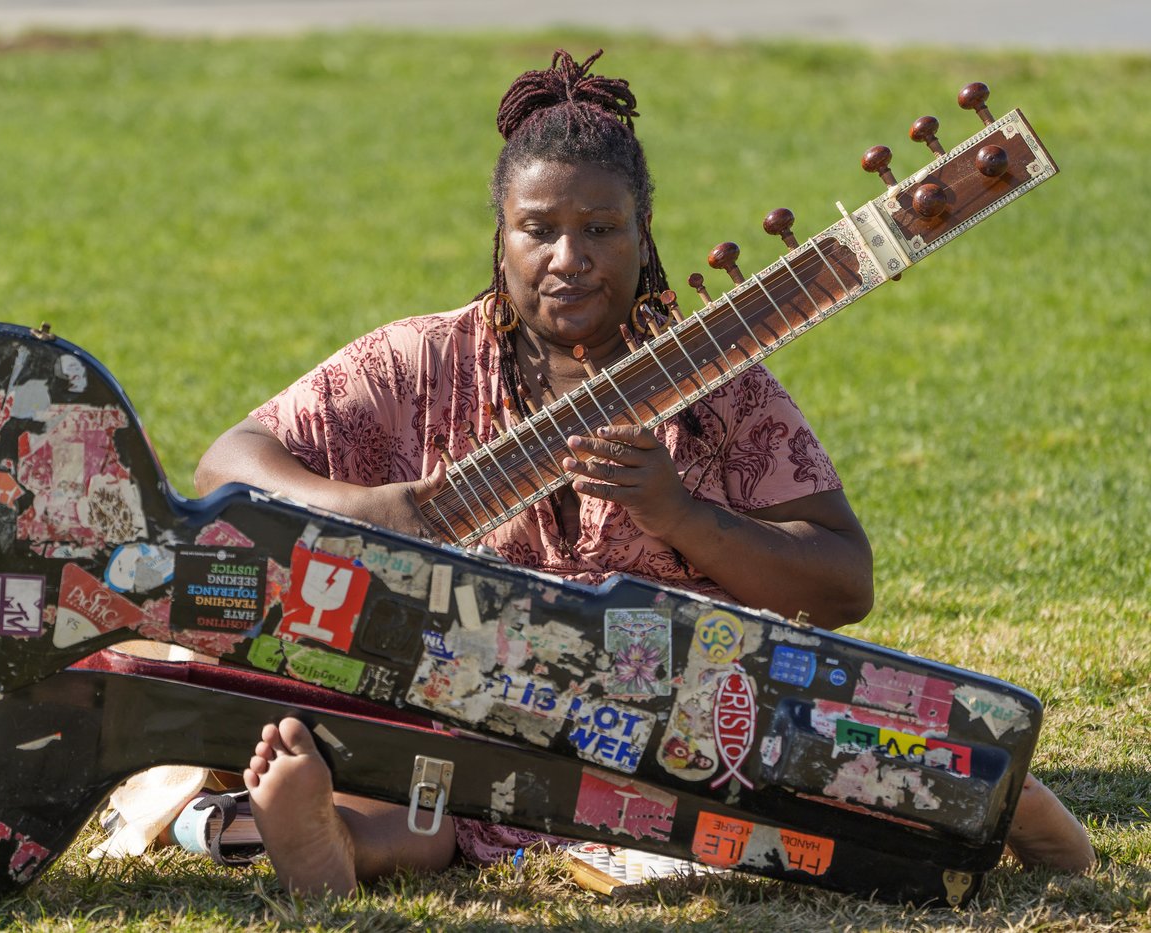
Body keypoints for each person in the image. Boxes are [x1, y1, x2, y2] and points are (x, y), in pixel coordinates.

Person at [193, 49, 1093, 894]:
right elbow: (227, 461)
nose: (569, 258)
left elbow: (842, 582)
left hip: (675, 717)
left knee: (762, 757)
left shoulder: (714, 384)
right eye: (538, 230)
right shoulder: (417, 363)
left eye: (600, 229)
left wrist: (684, 516)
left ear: (642, 233)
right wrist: (362, 507)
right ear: (501, 238)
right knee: (423, 782)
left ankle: (972, 787)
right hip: (469, 709)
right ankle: (332, 838)